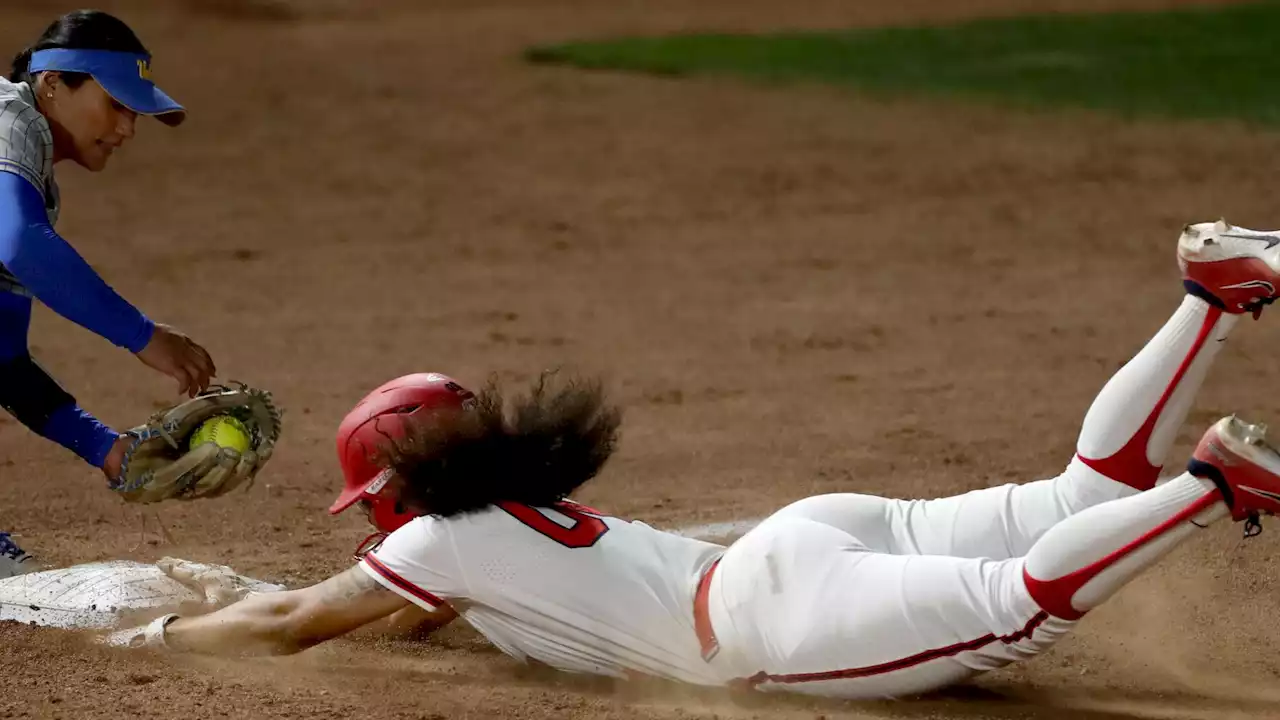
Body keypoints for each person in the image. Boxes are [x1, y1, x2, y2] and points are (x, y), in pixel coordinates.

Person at [110, 219, 1280, 700]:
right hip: (817, 534)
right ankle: (1208, 299)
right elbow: (403, 617)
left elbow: (294, 627)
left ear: (396, 489)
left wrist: (159, 634)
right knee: (1076, 497)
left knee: (1019, 609)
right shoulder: (497, 526)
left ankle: (1212, 484)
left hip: (778, 617)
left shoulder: (430, 542)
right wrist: (262, 592)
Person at [0, 10, 217, 577]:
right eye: (115, 104)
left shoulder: (26, 178)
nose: (127, 127)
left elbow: (1, 358)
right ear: (52, 84)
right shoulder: (9, 122)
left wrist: (105, 448)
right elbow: (23, 246)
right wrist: (141, 335)